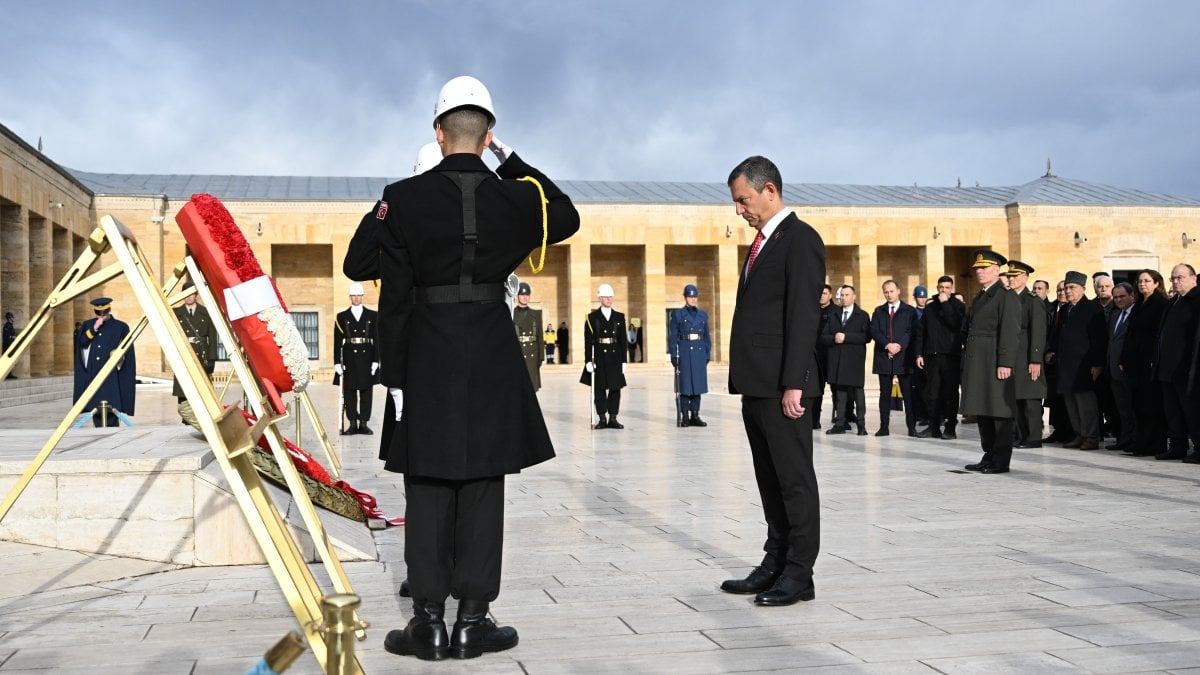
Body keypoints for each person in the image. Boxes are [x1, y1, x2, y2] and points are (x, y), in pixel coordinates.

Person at [343, 74, 580, 661]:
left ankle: (426, 622)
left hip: (426, 348)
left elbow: (388, 286)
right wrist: (511, 159)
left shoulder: (404, 196)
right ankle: (473, 621)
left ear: (438, 132)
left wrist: (391, 373)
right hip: (492, 350)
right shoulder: (517, 196)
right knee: (482, 482)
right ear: (488, 133)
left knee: (425, 480)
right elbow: (567, 215)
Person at [720, 155, 825, 607]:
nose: (739, 209)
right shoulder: (764, 241)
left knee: (794, 481)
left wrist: (794, 383)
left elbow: (802, 315)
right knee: (769, 479)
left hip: (785, 386)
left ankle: (800, 573)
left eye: (743, 200)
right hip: (757, 383)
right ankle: (776, 562)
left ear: (769, 191)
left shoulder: (800, 239)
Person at [961, 250, 1020, 474]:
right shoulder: (982, 295)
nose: (979, 272)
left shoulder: (1006, 296)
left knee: (999, 411)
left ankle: (1001, 460)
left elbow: (1009, 331)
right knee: (983, 409)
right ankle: (989, 454)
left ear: (996, 270)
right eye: (977, 268)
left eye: (984, 268)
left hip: (995, 360)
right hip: (980, 362)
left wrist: (1005, 362)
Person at [1047, 271, 1107, 450]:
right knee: (1071, 403)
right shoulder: (1065, 309)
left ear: (1083, 289)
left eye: (1072, 287)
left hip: (1084, 365)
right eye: (1066, 287)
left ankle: (1091, 436)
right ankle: (1079, 434)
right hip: (1065, 365)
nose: (1068, 291)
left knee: (1085, 404)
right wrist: (1050, 350)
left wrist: (1098, 364)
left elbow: (1100, 339)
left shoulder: (1092, 308)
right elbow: (1057, 334)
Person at [1153, 264, 1200, 461]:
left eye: (1180, 277)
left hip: (1186, 367)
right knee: (1173, 411)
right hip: (1167, 367)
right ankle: (1177, 446)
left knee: (1192, 411)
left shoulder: (1196, 301)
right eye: (1172, 278)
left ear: (1193, 278)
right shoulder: (1174, 302)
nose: (1175, 281)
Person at [1120, 270, 1169, 457]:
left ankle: (1155, 443)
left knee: (1152, 404)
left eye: (1147, 281)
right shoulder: (1139, 304)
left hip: (1149, 362)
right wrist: (1124, 358)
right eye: (1140, 281)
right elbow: (1130, 333)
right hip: (1135, 363)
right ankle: (1141, 441)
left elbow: (1158, 336)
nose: (1142, 284)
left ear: (1156, 283)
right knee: (1138, 404)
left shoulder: (1160, 304)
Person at [914, 276, 965, 439]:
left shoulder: (958, 306)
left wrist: (945, 303)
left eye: (947, 287)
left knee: (950, 393)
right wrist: (919, 353)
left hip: (951, 356)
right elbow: (922, 332)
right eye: (941, 287)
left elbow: (954, 324)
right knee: (932, 392)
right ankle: (933, 426)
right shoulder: (930, 307)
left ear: (951, 288)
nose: (944, 290)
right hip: (932, 356)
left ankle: (950, 427)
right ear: (937, 287)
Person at [74, 297, 136, 427]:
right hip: (93, 371)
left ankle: (113, 432)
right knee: (96, 407)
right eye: (99, 313)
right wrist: (94, 329)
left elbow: (127, 351)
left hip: (112, 373)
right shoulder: (88, 325)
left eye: (104, 312)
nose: (102, 316)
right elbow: (82, 343)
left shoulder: (121, 327)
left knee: (112, 407)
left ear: (108, 310)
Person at [1006, 261, 1047, 448]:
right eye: (1009, 276)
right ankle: (1021, 435)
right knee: (1017, 398)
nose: (1011, 279)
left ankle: (1034, 437)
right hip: (1013, 356)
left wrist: (1035, 359)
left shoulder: (1033, 301)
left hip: (1027, 356)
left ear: (1024, 278)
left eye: (1014, 276)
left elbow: (1038, 331)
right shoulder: (1008, 298)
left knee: (1030, 398)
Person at [869, 280, 917, 437]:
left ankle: (911, 427)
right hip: (884, 357)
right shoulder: (879, 311)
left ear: (898, 291)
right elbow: (874, 331)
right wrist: (887, 345)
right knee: (884, 394)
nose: (889, 294)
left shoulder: (909, 311)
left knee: (908, 394)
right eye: (886, 292)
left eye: (891, 291)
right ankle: (884, 427)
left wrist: (898, 346)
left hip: (904, 358)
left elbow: (911, 332)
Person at [333, 282, 380, 435]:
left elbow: (377, 340)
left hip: (367, 355)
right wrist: (336, 363)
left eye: (359, 295)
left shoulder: (373, 316)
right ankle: (352, 423)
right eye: (354, 295)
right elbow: (337, 341)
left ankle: (364, 423)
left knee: (366, 391)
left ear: (362, 296)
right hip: (349, 357)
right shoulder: (341, 317)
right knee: (350, 391)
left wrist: (376, 360)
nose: (356, 298)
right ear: (350, 297)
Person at [823, 285, 870, 436]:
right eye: (842, 295)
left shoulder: (862, 315)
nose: (844, 298)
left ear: (854, 296)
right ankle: (840, 424)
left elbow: (866, 337)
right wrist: (834, 338)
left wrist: (846, 337)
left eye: (847, 295)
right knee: (840, 394)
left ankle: (861, 425)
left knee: (858, 394)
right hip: (838, 360)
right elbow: (824, 337)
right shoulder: (834, 314)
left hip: (854, 360)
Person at [581, 284, 628, 429]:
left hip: (615, 356)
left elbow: (623, 340)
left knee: (615, 388)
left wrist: (624, 361)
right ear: (600, 298)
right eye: (606, 297)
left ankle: (613, 418)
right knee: (599, 389)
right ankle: (602, 418)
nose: (609, 299)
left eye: (610, 297)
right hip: (600, 356)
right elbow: (588, 341)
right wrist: (588, 360)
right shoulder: (592, 317)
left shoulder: (619, 317)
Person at [668, 284, 711, 427]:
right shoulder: (678, 314)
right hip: (684, 351)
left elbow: (706, 336)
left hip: (698, 352)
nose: (693, 299)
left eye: (694, 296)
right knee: (685, 385)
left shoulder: (703, 315)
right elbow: (673, 336)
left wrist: (706, 353)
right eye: (690, 296)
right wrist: (674, 354)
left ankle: (695, 415)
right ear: (685, 297)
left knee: (697, 385)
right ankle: (685, 415)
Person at [172, 283, 218, 412]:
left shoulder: (205, 312)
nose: (188, 297)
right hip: (184, 353)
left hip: (202, 354)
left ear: (196, 295)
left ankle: (204, 414)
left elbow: (213, 337)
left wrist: (212, 359)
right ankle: (186, 416)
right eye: (185, 295)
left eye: (191, 294)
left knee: (203, 388)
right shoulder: (176, 313)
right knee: (184, 388)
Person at [1106, 282, 1137, 451]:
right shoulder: (1115, 315)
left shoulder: (1136, 314)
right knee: (1121, 408)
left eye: (1122, 296)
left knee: (1132, 407)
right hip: (1113, 369)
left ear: (1132, 296)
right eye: (1116, 297)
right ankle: (1124, 438)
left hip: (1128, 368)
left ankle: (1134, 438)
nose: (1118, 300)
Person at [812, 284, 836, 429]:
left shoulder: (836, 311)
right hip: (815, 356)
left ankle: (841, 419)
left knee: (837, 389)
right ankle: (815, 419)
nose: (822, 295)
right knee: (816, 390)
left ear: (830, 295)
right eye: (820, 293)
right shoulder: (812, 310)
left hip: (832, 354)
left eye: (825, 293)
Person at [512, 282, 543, 390]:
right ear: (517, 296)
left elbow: (540, 337)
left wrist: (541, 358)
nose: (525, 297)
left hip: (532, 355)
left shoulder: (536, 314)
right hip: (517, 354)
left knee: (531, 387)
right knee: (518, 387)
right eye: (522, 295)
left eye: (527, 295)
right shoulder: (511, 314)